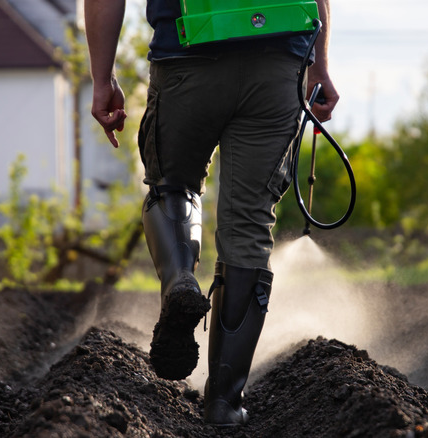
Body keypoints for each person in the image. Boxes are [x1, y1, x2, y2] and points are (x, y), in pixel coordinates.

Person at [85, 0, 338, 426]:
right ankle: (224, 401)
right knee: (250, 227)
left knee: (173, 185)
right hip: (280, 58)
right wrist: (321, 66)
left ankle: (180, 278)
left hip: (189, 50)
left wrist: (102, 77)